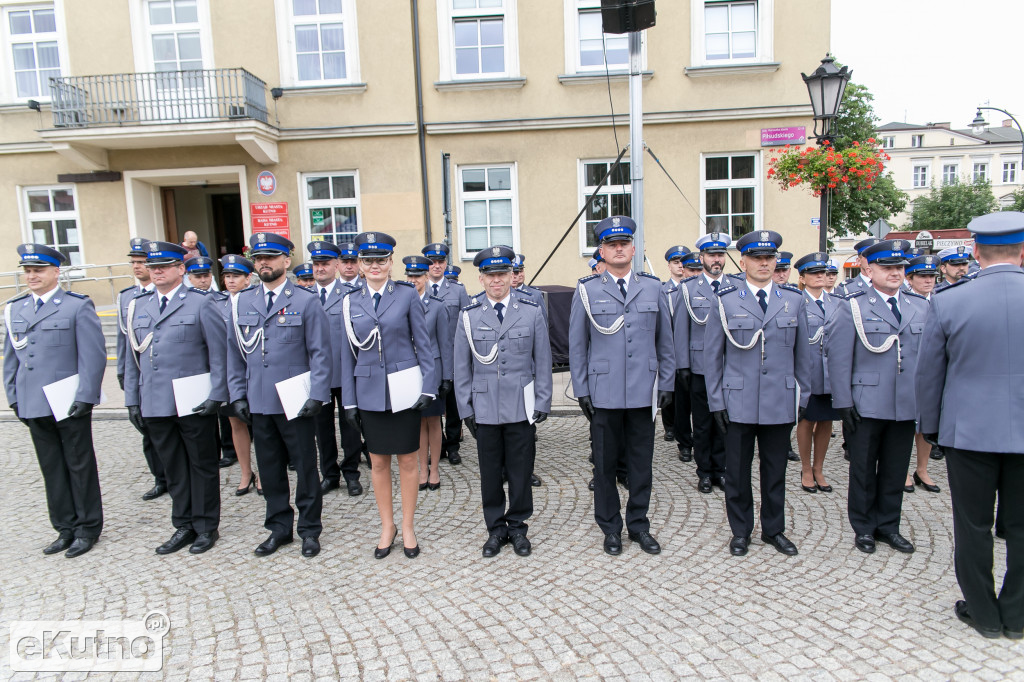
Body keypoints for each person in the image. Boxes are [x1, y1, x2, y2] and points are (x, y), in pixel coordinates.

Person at [916, 211, 1024, 640]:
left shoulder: (949, 299)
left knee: (973, 524)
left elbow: (929, 374)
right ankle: (1016, 615)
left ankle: (983, 612)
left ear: (976, 251)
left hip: (969, 431)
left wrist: (931, 428)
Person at [569, 215, 675, 556]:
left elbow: (666, 341)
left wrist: (667, 382)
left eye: (624, 243)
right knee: (604, 465)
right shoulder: (587, 291)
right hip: (604, 391)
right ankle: (610, 528)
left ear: (633, 248)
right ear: (602, 250)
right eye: (611, 244)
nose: (618, 249)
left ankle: (639, 526)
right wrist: (582, 389)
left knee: (642, 463)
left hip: (643, 390)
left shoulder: (653, 287)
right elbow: (577, 345)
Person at [704, 230, 811, 557]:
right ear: (744, 261)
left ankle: (773, 529)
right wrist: (716, 401)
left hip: (779, 400)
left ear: (777, 261)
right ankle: (741, 531)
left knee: (775, 469)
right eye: (757, 258)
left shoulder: (793, 300)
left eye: (769, 258)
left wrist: (802, 398)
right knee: (736, 471)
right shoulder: (725, 300)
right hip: (738, 401)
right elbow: (712, 357)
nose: (764, 263)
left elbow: (802, 356)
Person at [226, 232, 331, 558]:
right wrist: (237, 394)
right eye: (259, 258)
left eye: (270, 257)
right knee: (269, 468)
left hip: (295, 401)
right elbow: (234, 353)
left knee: (304, 467)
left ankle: (309, 529)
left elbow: (321, 354)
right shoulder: (244, 301)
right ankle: (279, 528)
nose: (264, 263)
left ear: (286, 261)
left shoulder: (305, 301)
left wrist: (317, 394)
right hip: (259, 400)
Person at [123, 241, 226, 555]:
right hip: (155, 399)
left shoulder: (200, 302)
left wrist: (217, 393)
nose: (157, 272)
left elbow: (219, 353)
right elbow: (131, 358)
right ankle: (183, 524)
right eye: (153, 267)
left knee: (202, 464)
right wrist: (132, 399)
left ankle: (206, 526)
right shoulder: (137, 305)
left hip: (193, 399)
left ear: (181, 269)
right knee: (173, 467)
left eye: (164, 266)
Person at [4, 243, 106, 558]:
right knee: (52, 468)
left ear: (55, 272)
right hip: (32, 400)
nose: (32, 276)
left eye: (38, 270)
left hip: (68, 399)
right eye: (28, 270)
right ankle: (64, 527)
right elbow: (11, 359)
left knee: (79, 464)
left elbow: (93, 356)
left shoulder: (76, 306)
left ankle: (87, 528)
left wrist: (86, 396)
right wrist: (13, 398)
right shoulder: (15, 308)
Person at [827, 239, 927, 556]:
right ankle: (864, 527)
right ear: (870, 269)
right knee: (863, 469)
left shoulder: (919, 305)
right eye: (888, 267)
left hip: (904, 403)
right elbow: (839, 357)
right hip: (866, 402)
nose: (896, 272)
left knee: (896, 469)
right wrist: (843, 400)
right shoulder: (853, 305)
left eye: (900, 267)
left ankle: (889, 527)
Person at [343, 232, 435, 559]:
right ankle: (387, 526)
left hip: (405, 387)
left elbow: (424, 344)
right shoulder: (350, 300)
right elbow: (346, 355)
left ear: (390, 262)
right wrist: (349, 402)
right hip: (368, 392)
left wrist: (428, 386)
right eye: (368, 261)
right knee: (379, 462)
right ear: (360, 266)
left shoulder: (408, 295)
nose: (375, 265)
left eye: (381, 260)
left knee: (409, 460)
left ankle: (408, 526)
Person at [456, 245, 552, 557]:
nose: (496, 280)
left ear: (512, 276)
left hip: (520, 405)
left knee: (521, 471)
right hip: (484, 407)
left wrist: (543, 400)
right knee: (490, 473)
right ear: (481, 279)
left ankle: (518, 528)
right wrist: (465, 407)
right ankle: (496, 529)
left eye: (502, 274)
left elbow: (543, 360)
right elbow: (462, 366)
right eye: (490, 275)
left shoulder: (531, 311)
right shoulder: (469, 317)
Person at [677, 232, 734, 491]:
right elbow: (681, 329)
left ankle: (720, 469)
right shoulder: (688, 290)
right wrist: (683, 365)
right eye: (712, 255)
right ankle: (704, 471)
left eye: (720, 255)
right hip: (699, 367)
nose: (717, 260)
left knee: (725, 422)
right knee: (702, 422)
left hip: (729, 366)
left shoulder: (736, 287)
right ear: (702, 258)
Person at [307, 240, 364, 497]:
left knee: (350, 425)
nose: (320, 268)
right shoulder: (305, 297)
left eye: (325, 264)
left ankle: (351, 473)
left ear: (337, 265)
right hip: (317, 375)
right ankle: (329, 473)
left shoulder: (349, 296)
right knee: (322, 428)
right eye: (316, 264)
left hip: (345, 373)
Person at [116, 237, 166, 501]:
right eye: (133, 262)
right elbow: (124, 339)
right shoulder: (127, 297)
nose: (137, 267)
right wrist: (124, 374)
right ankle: (160, 477)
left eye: (141, 262)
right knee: (148, 431)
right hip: (140, 371)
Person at [402, 254, 452, 491]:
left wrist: (446, 376)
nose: (413, 280)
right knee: (417, 422)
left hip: (432, 369)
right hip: (409, 370)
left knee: (433, 421)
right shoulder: (400, 303)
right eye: (410, 276)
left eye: (418, 276)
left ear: (426, 277)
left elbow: (445, 343)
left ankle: (434, 469)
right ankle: (422, 468)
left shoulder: (437, 306)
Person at [793, 252, 839, 494]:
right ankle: (806, 468)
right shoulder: (797, 302)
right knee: (806, 419)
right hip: (808, 371)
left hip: (830, 373)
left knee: (826, 420)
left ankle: (819, 467)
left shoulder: (837, 302)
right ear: (802, 277)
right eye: (815, 273)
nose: (821, 277)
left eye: (824, 272)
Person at [215, 255, 261, 496]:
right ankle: (246, 471)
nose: (231, 281)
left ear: (248, 278)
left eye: (236, 276)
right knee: (236, 423)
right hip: (229, 372)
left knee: (263, 424)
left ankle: (263, 472)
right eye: (227, 276)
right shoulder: (216, 303)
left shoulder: (255, 301)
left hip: (254, 371)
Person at [421, 242, 470, 465]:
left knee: (452, 404)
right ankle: (436, 444)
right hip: (429, 359)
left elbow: (466, 324)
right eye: (432, 262)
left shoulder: (457, 290)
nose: (437, 266)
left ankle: (452, 445)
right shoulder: (418, 290)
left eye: (441, 261)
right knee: (432, 405)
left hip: (453, 356)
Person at [903, 255, 941, 494]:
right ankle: (903, 469)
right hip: (907, 372)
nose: (928, 281)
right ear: (911, 279)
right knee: (906, 423)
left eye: (931, 277)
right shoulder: (908, 303)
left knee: (925, 423)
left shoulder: (941, 302)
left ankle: (923, 469)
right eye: (923, 276)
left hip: (931, 372)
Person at [661, 245, 694, 458]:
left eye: (683, 262)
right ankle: (671, 426)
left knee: (687, 395)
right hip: (670, 346)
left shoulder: (694, 289)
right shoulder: (663, 290)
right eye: (676, 262)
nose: (680, 266)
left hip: (691, 350)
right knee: (671, 389)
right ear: (669, 265)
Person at [511, 254, 548, 319]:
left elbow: (543, 322)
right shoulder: (502, 294)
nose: (519, 275)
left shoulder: (535, 294)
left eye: (521, 271)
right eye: (516, 272)